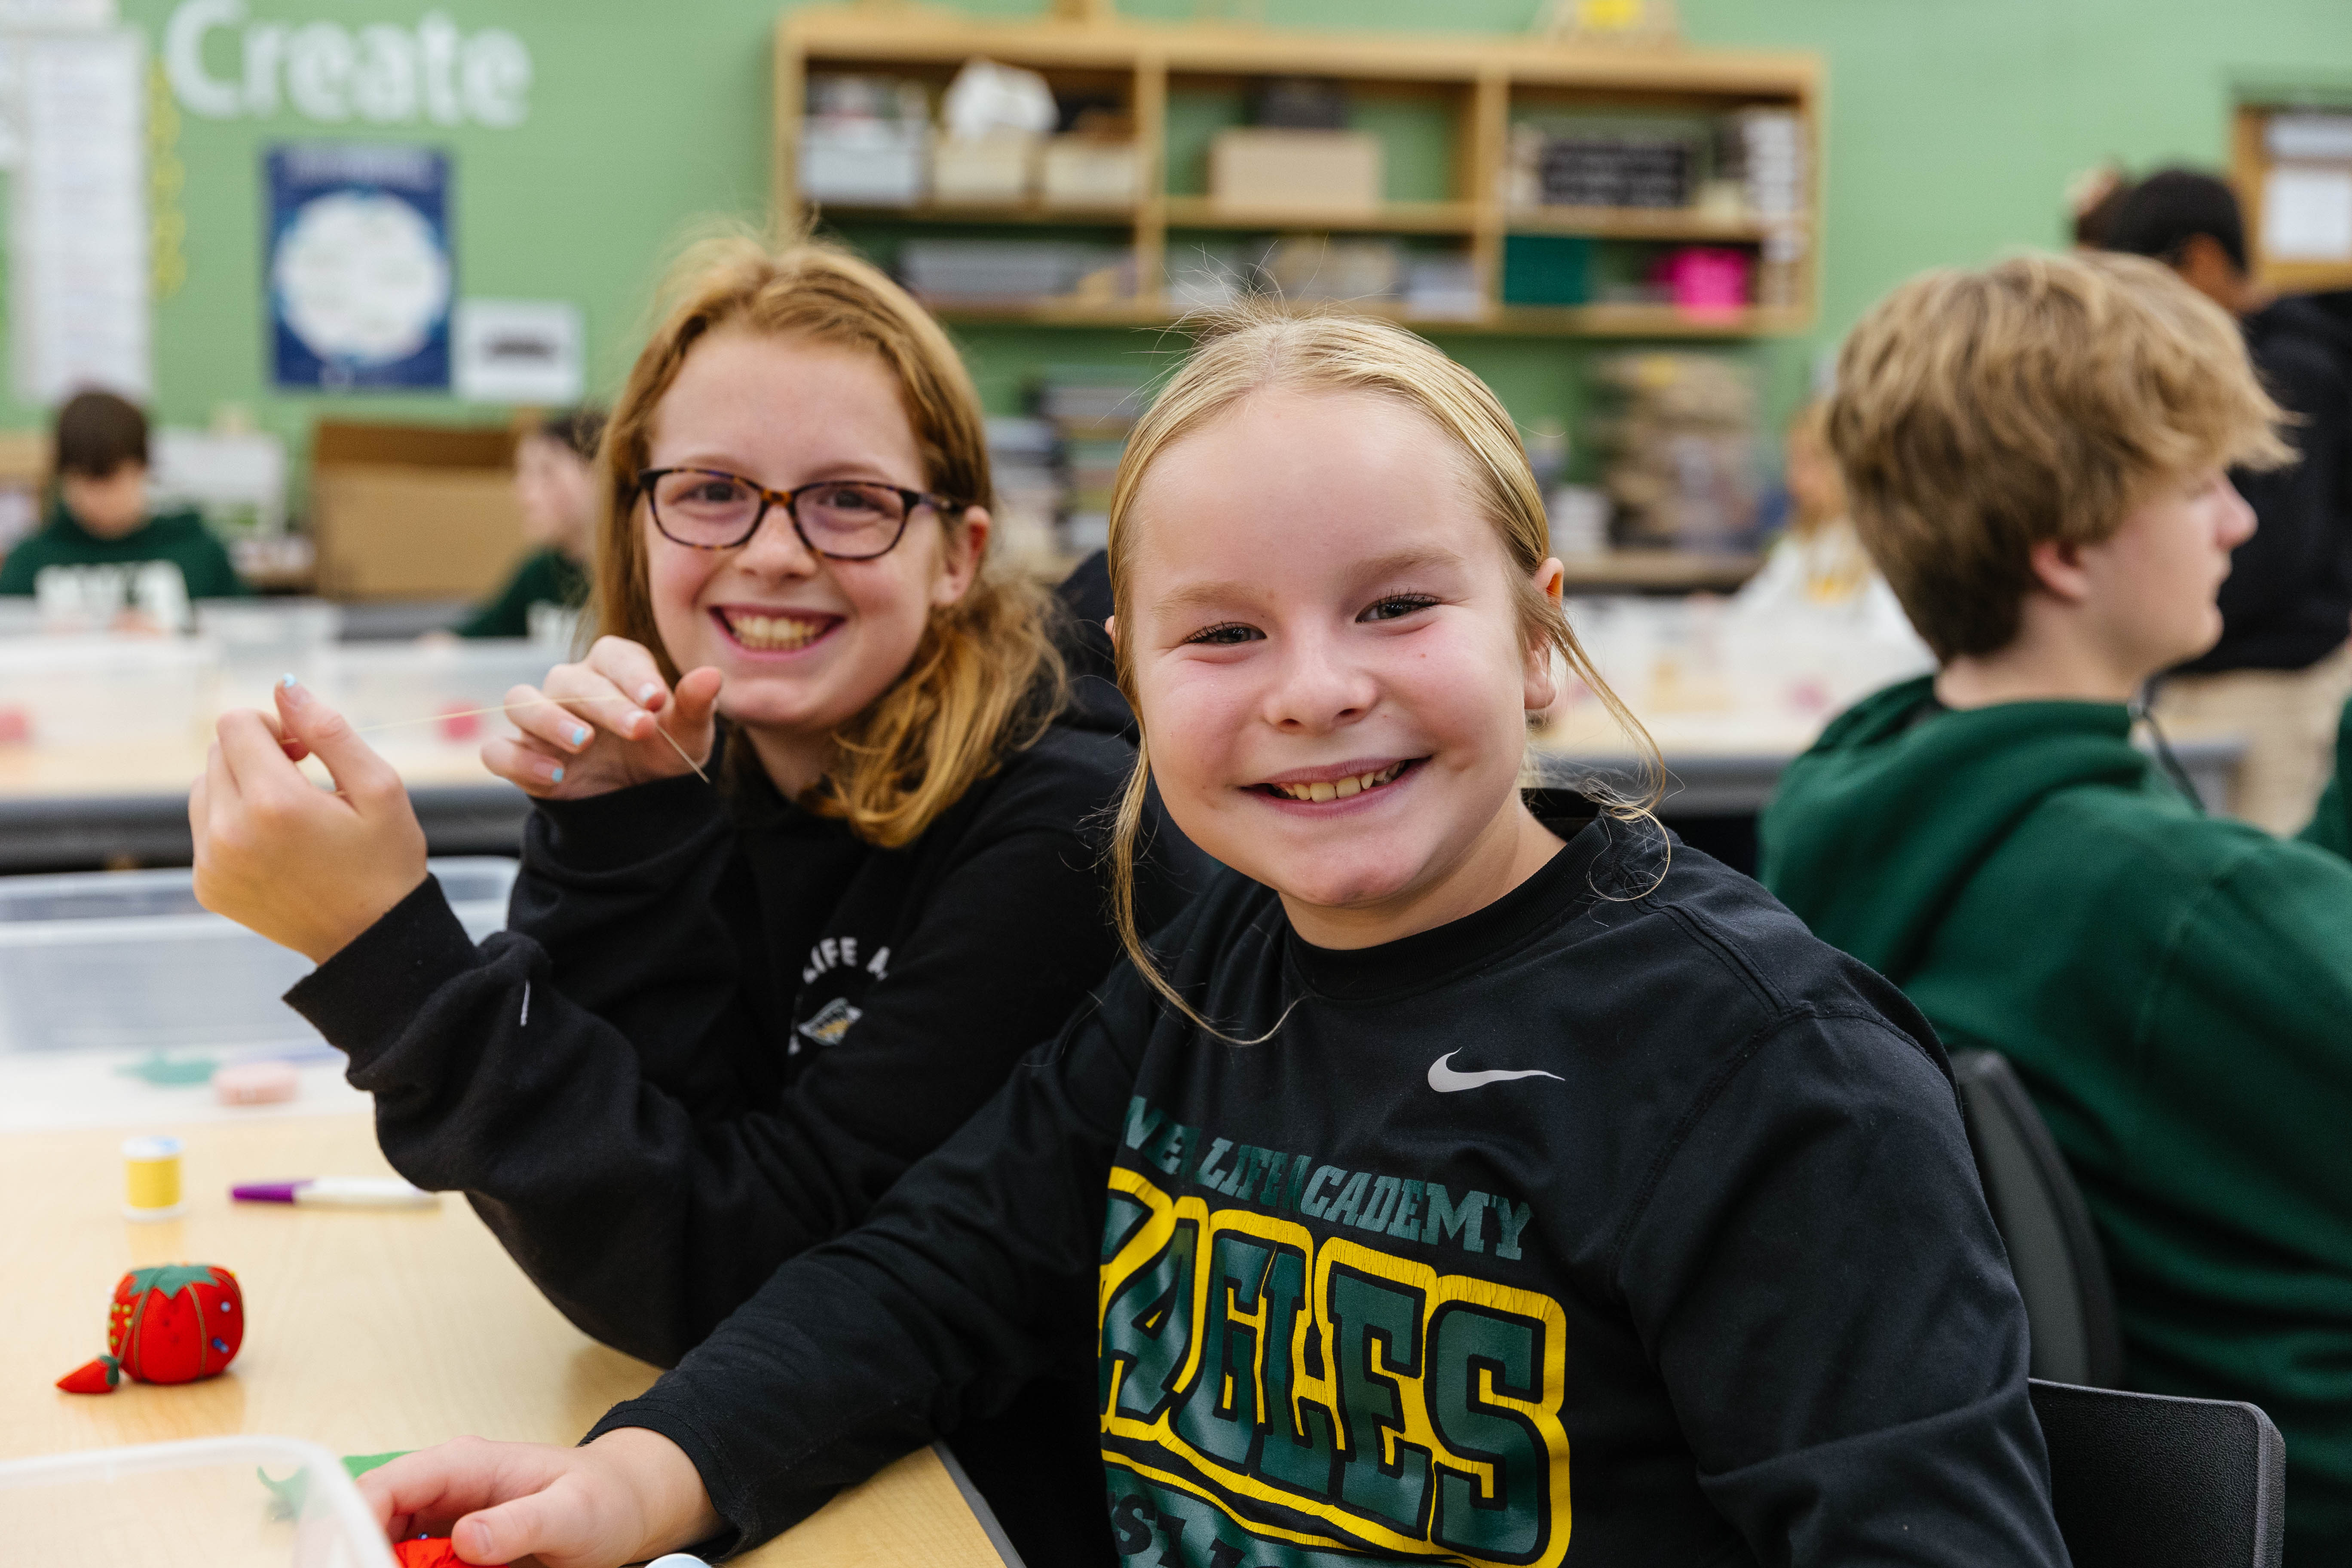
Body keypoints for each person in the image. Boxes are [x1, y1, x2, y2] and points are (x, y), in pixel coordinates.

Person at [346, 308, 2067, 1568]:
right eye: (1223, 634)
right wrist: (635, 1479)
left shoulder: (1769, 1071)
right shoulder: (1206, 961)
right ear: (1137, 684)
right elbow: (930, 1277)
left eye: (1397, 604)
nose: (1318, 689)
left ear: (1540, 642)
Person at [184, 235, 1197, 1565]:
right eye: (713, 491)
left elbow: (737, 1270)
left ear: (958, 554)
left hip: (991, 1503)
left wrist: (386, 953)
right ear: (639, 521)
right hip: (789, 1466)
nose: (772, 552)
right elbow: (654, 1167)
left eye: (847, 501)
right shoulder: (685, 769)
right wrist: (619, 838)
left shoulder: (1069, 826)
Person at [1758, 251, 2352, 1560]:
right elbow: (2254, 947)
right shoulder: (2172, 907)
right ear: (2068, 549)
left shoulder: (1854, 807)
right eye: (2201, 486)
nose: (2241, 525)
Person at [2103, 168, 2352, 833]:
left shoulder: (2295, 368)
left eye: (2150, 280)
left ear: (2204, 260)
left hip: (2275, 686)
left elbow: (2278, 553)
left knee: (2268, 892)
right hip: (2193, 676)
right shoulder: (2213, 363)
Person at [0, 389, 245, 627]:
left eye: (112, 479)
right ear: (63, 477)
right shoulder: (30, 560)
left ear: (144, 468)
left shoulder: (198, 550)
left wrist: (176, 631)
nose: (99, 497)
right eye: (85, 481)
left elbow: (246, 632)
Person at [1729, 399, 1927, 660]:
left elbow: (1894, 647)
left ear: (1849, 466)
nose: (1793, 481)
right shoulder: (1806, 543)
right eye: (1792, 463)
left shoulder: (1885, 547)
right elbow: (1756, 609)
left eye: (1808, 464)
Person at [454, 408, 603, 643]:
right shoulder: (538, 573)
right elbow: (474, 638)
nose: (526, 495)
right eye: (523, 475)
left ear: (600, 475)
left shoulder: (633, 575)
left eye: (546, 473)